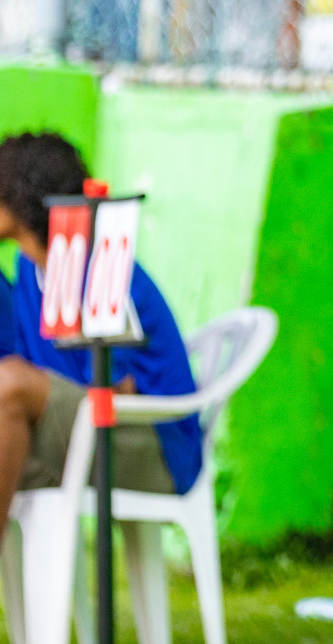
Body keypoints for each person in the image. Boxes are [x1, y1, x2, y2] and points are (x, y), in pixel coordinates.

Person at [0, 133, 202, 534]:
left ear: (20, 198)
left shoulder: (100, 264)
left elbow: (121, 388)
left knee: (9, 385)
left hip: (150, 445)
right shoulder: (27, 272)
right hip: (78, 432)